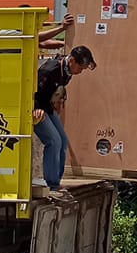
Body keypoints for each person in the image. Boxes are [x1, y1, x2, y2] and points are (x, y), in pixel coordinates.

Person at [33, 45, 96, 197]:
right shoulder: (50, 70)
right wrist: (35, 109)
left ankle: (57, 181)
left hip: (47, 107)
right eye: (80, 68)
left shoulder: (67, 71)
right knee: (53, 141)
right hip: (35, 109)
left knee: (63, 140)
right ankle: (52, 184)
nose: (80, 72)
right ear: (72, 61)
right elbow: (31, 89)